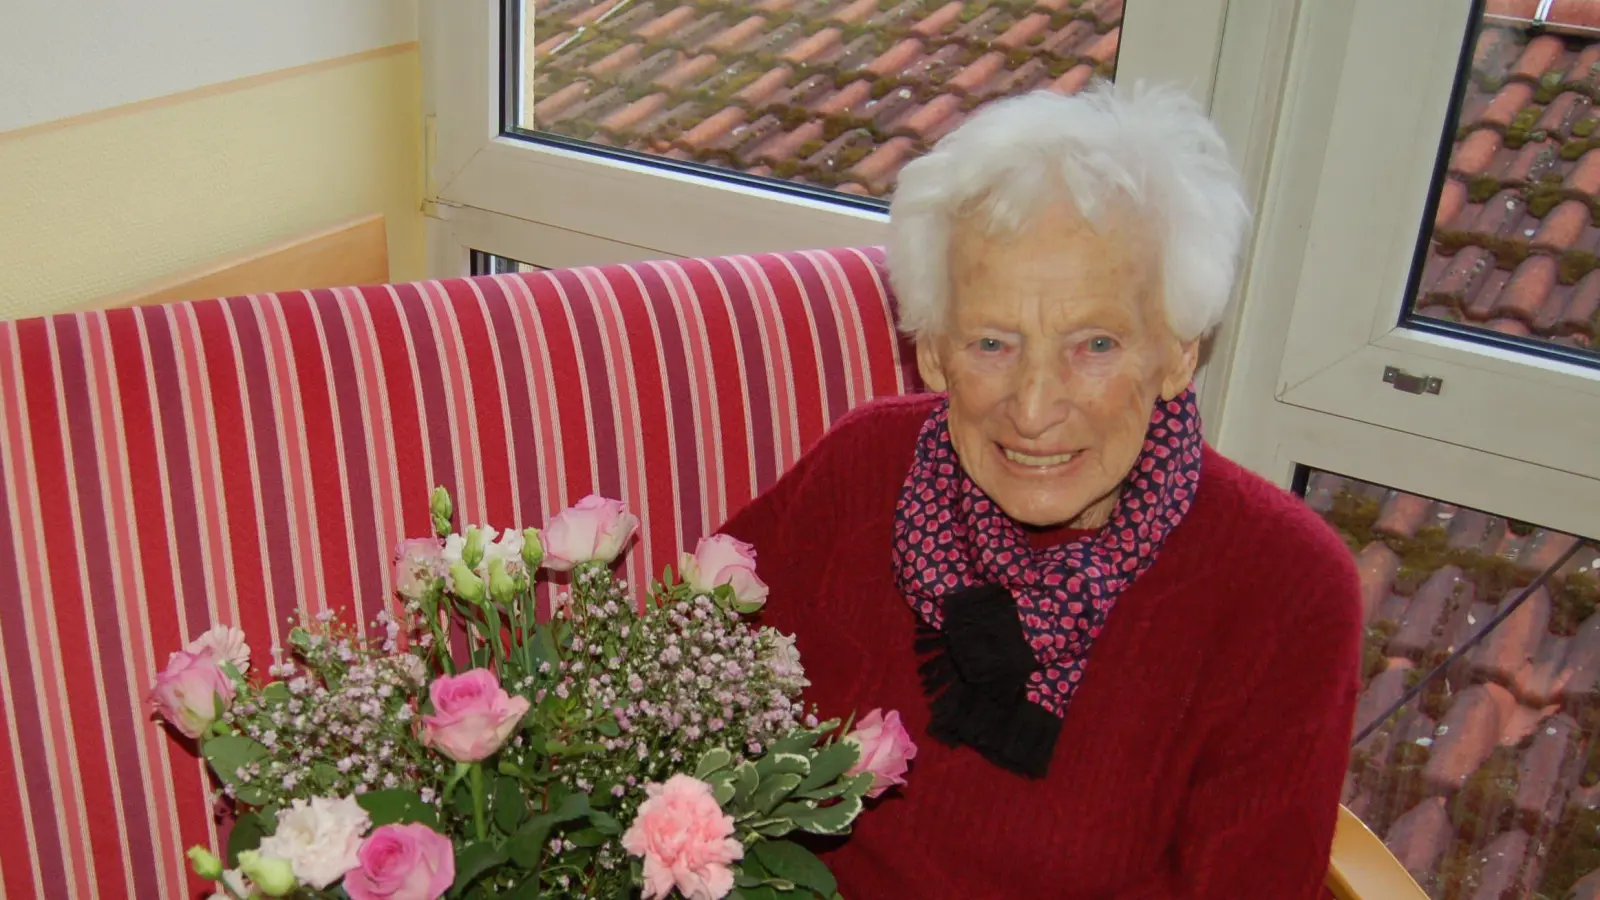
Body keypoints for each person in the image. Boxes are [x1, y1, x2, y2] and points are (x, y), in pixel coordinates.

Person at [723, 83, 1362, 898]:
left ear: (1178, 353)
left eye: (1094, 345)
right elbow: (681, 689)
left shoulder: (1285, 591)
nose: (1032, 408)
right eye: (992, 341)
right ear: (932, 351)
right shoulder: (861, 471)